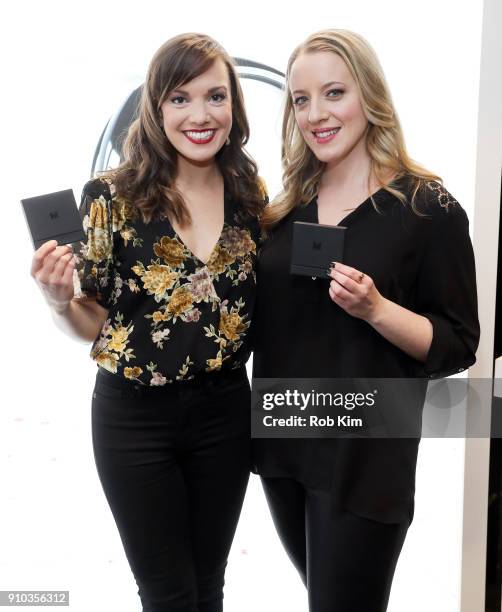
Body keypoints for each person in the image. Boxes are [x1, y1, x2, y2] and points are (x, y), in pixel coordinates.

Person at [30, 33, 266, 612]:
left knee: (209, 585)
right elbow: (96, 322)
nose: (200, 115)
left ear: (234, 104)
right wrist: (59, 301)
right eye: (179, 99)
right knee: (167, 593)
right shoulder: (112, 198)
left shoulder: (249, 194)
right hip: (135, 420)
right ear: (156, 108)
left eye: (215, 96)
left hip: (226, 413)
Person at [252, 29, 480, 612]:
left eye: (334, 93)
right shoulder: (284, 210)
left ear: (369, 96)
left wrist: (376, 309)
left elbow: (456, 344)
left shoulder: (428, 208)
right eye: (301, 100)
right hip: (284, 445)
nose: (316, 114)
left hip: (365, 459)